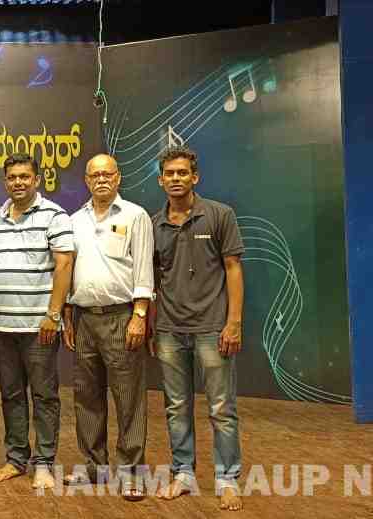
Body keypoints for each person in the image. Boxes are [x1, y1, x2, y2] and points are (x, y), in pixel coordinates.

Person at [149, 145, 245, 511]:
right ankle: (183, 475)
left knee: (221, 408)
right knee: (176, 407)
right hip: (169, 329)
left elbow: (233, 268)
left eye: (182, 173)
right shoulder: (153, 224)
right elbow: (152, 280)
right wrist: (153, 325)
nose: (176, 178)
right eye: (169, 174)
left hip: (212, 327)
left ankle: (227, 479)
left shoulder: (220, 215)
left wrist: (233, 323)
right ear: (161, 180)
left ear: (195, 177)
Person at [61, 154, 154, 501]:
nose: (101, 180)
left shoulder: (135, 215)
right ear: (86, 180)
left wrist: (140, 315)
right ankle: (94, 468)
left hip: (122, 317)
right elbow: (68, 271)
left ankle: (131, 473)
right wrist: (67, 314)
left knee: (128, 398)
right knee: (86, 397)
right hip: (83, 318)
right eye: (94, 175)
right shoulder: (74, 220)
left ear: (118, 178)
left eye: (107, 174)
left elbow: (144, 268)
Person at [0, 153, 74, 489]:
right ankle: (15, 459)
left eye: (25, 176)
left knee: (44, 396)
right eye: (12, 177)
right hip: (2, 327)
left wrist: (53, 315)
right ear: (5, 181)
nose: (18, 182)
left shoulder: (54, 215)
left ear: (37, 179)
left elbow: (64, 265)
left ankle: (44, 463)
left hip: (40, 328)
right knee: (11, 395)